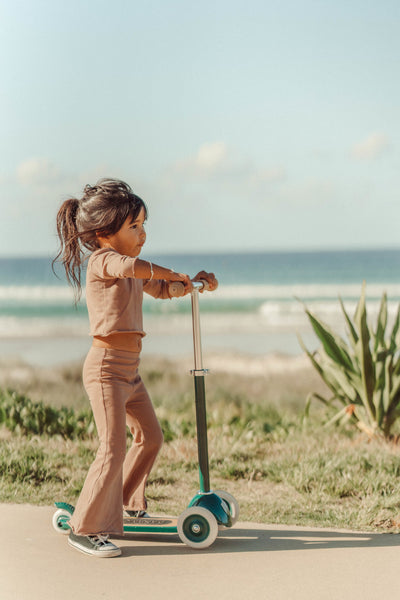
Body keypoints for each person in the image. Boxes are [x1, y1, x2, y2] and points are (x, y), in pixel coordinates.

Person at [54, 178, 217, 557]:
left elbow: (161, 288)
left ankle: (122, 505)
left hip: (130, 370)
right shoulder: (104, 261)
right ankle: (85, 528)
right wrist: (168, 272)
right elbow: (137, 268)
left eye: (144, 225)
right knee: (112, 447)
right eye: (134, 226)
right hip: (106, 368)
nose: (142, 234)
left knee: (151, 437)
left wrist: (193, 284)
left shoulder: (130, 270)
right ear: (105, 232)